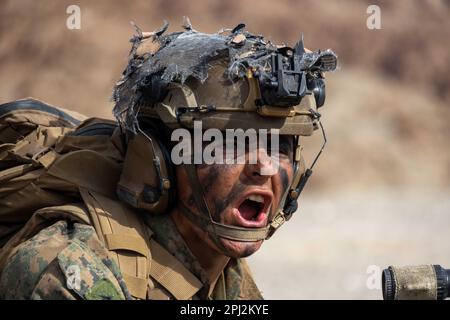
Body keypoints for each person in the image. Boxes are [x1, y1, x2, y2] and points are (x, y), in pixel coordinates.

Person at [0, 21, 337, 300]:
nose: (264, 168)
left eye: (278, 146)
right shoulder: (73, 267)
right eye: (233, 145)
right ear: (157, 159)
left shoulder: (216, 261)